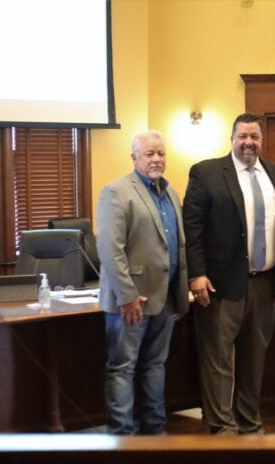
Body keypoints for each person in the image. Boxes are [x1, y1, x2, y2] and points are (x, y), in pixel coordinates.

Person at [183, 112, 275, 435]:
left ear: (262, 140)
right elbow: (193, 228)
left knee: (254, 357)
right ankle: (222, 425)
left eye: (254, 136)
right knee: (218, 358)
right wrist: (196, 274)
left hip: (265, 282)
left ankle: (249, 420)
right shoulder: (207, 173)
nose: (248, 142)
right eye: (242, 136)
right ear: (231, 139)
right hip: (220, 283)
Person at [97, 130, 189, 435]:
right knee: (123, 367)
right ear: (134, 157)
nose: (157, 159)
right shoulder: (116, 191)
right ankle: (121, 437)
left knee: (154, 365)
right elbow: (110, 250)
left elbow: (177, 244)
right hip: (131, 301)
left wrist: (180, 290)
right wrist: (126, 295)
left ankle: (155, 432)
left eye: (161, 153)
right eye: (149, 154)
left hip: (164, 297)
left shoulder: (171, 193)